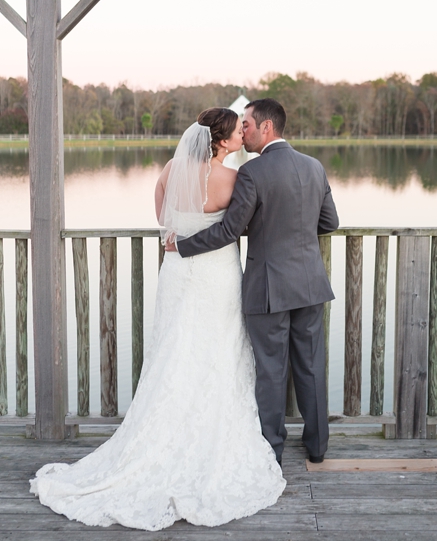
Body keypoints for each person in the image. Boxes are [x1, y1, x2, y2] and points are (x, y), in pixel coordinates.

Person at [31, 108, 286, 530]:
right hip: (215, 274)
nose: (243, 134)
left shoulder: (172, 167)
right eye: (237, 132)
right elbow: (241, 225)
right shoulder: (235, 179)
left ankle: (156, 436)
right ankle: (206, 439)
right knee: (217, 351)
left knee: (173, 350)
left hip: (176, 271)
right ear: (221, 142)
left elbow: (162, 214)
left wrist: (178, 233)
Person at [173, 98, 339, 467]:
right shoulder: (314, 167)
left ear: (266, 128)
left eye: (246, 124)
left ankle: (272, 449)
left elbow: (230, 230)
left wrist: (182, 245)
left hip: (268, 288)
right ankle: (317, 447)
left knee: (271, 369)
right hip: (310, 284)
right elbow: (330, 222)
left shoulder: (252, 172)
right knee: (311, 366)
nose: (242, 131)